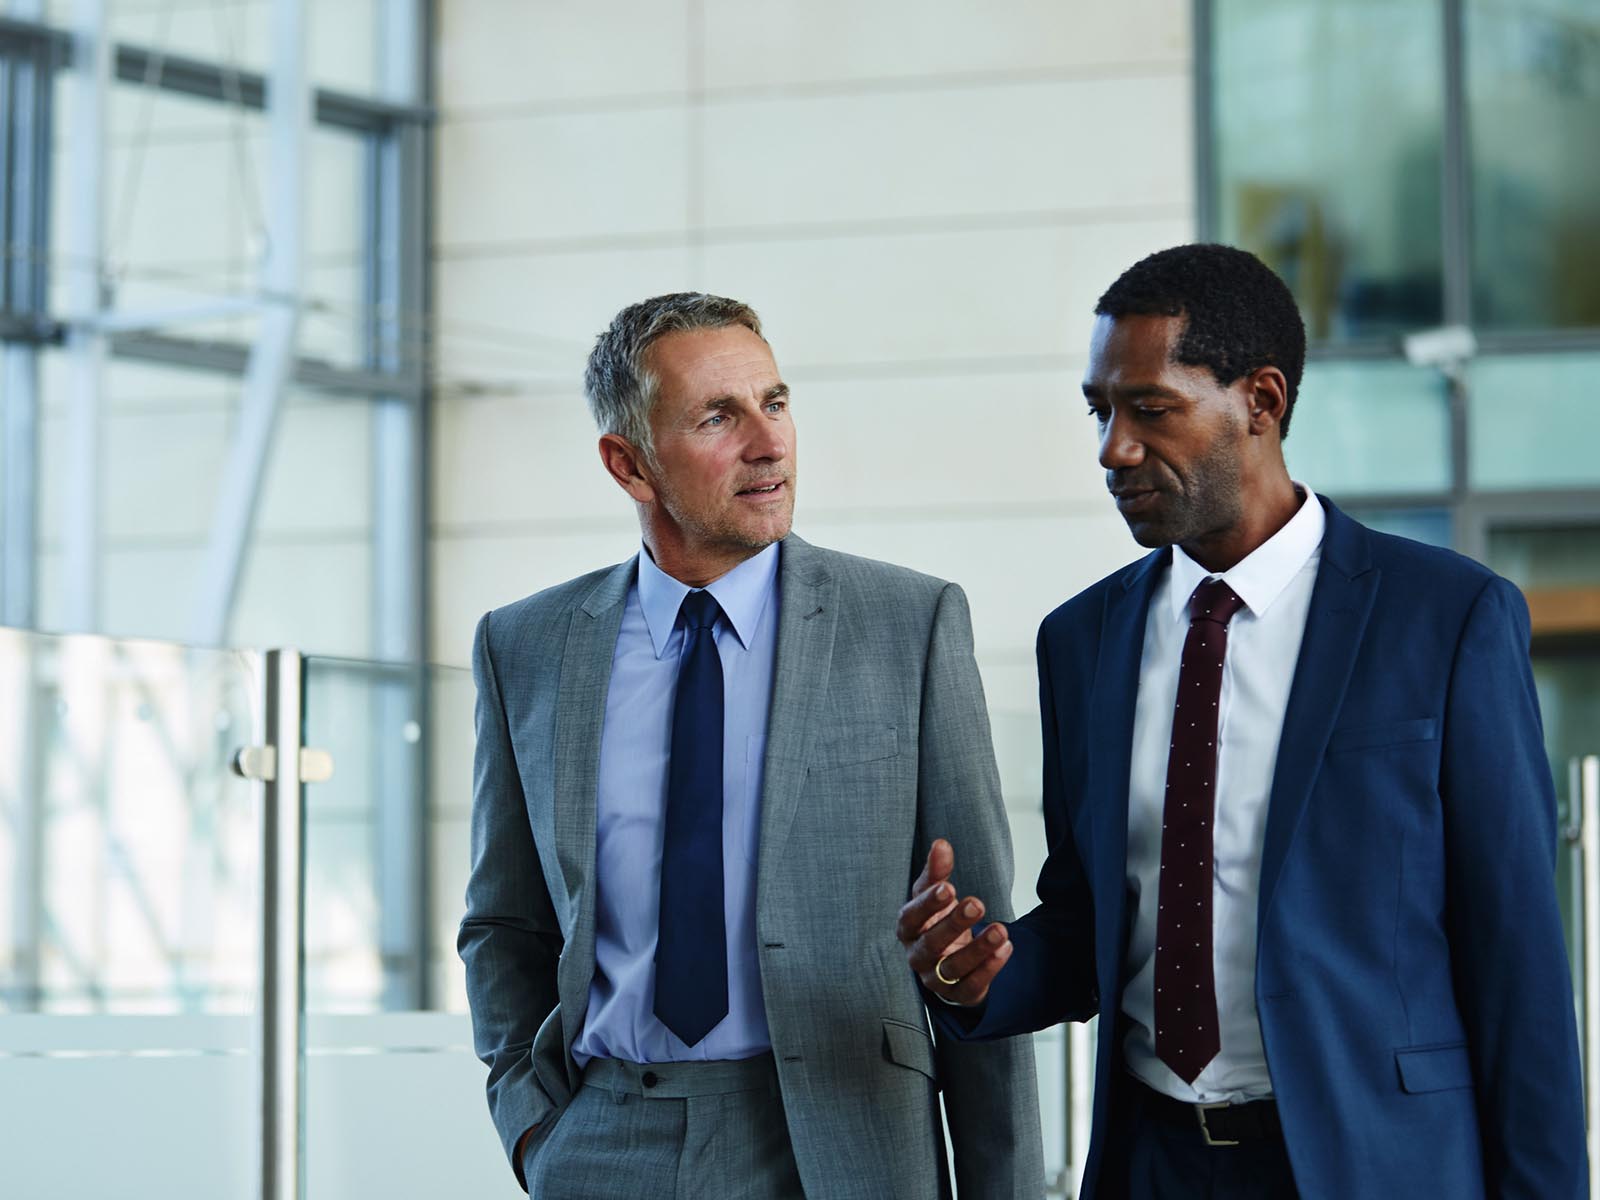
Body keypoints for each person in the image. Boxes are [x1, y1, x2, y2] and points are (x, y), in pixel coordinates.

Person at [899, 244, 1586, 1198]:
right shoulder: (1083, 640)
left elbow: (1518, 968)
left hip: (1371, 1164)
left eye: (1150, 410)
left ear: (1260, 401)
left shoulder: (1448, 618)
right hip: (1151, 1163)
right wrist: (979, 977)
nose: (1114, 450)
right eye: (1101, 412)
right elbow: (1095, 923)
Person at [460, 292, 1043, 1199]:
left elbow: (980, 938)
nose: (769, 444)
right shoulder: (524, 647)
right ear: (629, 463)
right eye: (718, 417)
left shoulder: (908, 624)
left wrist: (1002, 1188)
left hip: (845, 1144)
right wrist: (532, 1126)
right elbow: (504, 921)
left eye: (774, 403)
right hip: (603, 1143)